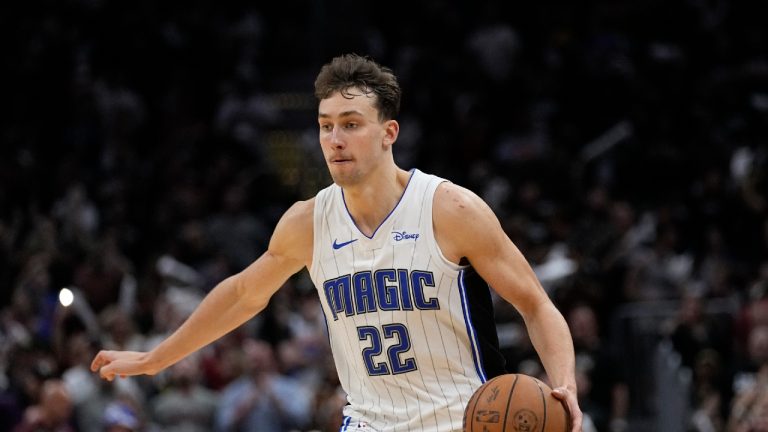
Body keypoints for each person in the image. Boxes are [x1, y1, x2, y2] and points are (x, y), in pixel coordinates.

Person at [90, 53, 583, 432]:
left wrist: (564, 385)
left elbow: (535, 304)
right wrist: (156, 358)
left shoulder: (450, 210)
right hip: (367, 421)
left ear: (389, 132)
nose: (334, 139)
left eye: (350, 124)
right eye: (326, 126)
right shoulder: (307, 222)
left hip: (460, 419)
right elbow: (244, 295)